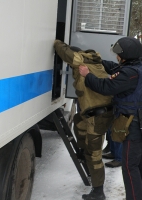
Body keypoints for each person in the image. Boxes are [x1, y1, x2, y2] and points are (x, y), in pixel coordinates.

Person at [79, 36, 142, 200]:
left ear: (125, 55)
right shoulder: (138, 67)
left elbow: (105, 87)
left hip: (135, 125)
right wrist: (98, 62)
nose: (116, 57)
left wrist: (87, 75)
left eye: (118, 54)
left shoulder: (128, 75)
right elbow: (115, 68)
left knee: (129, 166)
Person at [53, 40, 114, 200]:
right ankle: (84, 153)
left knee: (94, 154)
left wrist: (57, 42)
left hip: (98, 116)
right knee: (78, 123)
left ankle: (98, 191)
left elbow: (66, 53)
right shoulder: (93, 62)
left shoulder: (81, 61)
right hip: (92, 113)